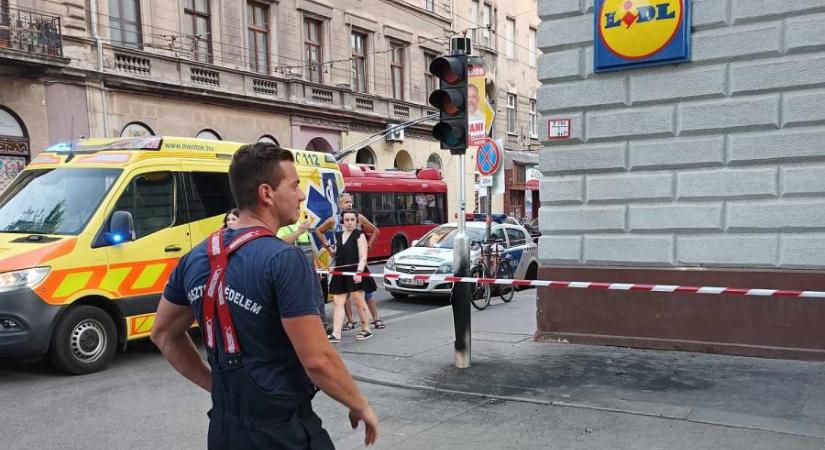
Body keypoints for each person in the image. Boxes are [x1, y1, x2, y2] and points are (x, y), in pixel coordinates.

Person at [151, 142, 379, 449]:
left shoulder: (195, 258)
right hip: (280, 432)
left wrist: (215, 386)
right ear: (266, 194)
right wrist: (359, 403)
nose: (300, 195)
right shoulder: (284, 260)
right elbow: (317, 359)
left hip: (224, 429)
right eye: (295, 185)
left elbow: (163, 333)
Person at [315, 193, 386, 329]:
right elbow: (319, 231)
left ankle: (376, 319)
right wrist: (329, 248)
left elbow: (375, 231)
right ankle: (350, 321)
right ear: (339, 205)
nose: (349, 204)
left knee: (366, 291)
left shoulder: (358, 218)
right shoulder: (334, 220)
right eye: (346, 202)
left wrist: (368, 247)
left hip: (356, 260)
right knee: (343, 292)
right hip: (340, 261)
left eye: (350, 202)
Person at [327, 209, 377, 343]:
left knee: (358, 299)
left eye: (352, 220)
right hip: (341, 271)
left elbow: (363, 257)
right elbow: (338, 253)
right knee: (338, 302)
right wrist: (332, 251)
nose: (349, 222)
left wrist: (359, 272)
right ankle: (336, 333)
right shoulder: (338, 235)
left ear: (356, 221)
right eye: (347, 220)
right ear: (342, 222)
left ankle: (366, 328)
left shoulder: (359, 235)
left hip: (356, 270)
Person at [278, 216, 331, 334]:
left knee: (318, 296)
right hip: (296, 269)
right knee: (302, 298)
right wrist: (298, 232)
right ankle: (307, 330)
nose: (297, 212)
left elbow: (310, 249)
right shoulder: (282, 227)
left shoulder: (301, 225)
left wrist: (316, 267)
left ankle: (323, 327)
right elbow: (280, 243)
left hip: (310, 268)